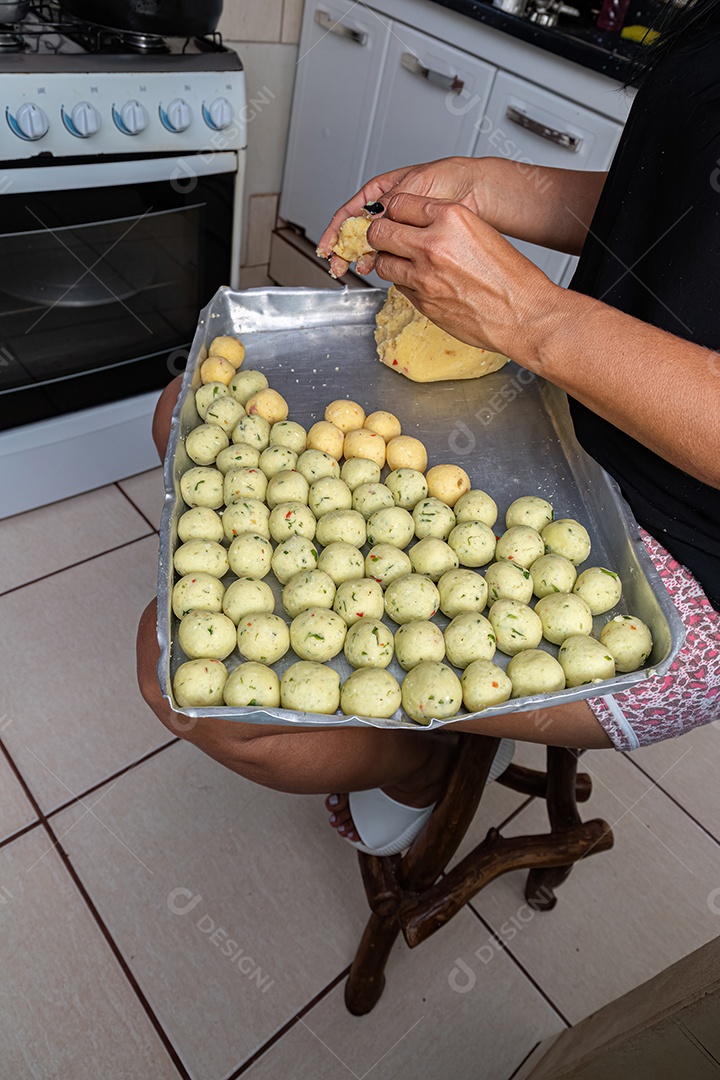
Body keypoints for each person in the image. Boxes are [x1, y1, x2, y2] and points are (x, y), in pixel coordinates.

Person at [137, 0, 720, 855]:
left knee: (180, 682)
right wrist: (492, 185)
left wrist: (535, 320)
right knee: (177, 412)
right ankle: (431, 746)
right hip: (573, 397)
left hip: (686, 548)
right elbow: (679, 206)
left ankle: (421, 765)